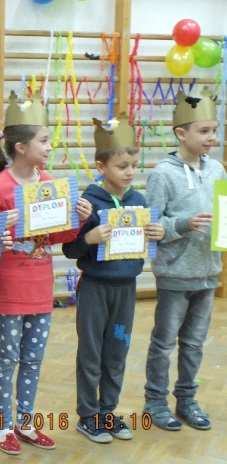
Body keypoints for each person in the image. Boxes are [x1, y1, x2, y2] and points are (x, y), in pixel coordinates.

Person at [0, 91, 91, 455]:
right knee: (7, 358)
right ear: (20, 147)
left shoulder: (50, 182)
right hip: (10, 287)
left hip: (41, 286)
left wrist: (79, 219)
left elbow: (59, 236)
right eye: (43, 140)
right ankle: (3, 426)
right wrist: (0, 230)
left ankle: (25, 422)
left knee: (33, 358)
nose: (49, 146)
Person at [62, 114, 165, 443]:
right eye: (122, 166)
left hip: (126, 290)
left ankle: (108, 410)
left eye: (133, 165)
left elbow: (143, 245)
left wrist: (156, 234)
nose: (130, 172)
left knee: (117, 351)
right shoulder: (88, 203)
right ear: (101, 167)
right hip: (95, 289)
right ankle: (88, 415)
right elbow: (70, 249)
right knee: (91, 353)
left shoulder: (139, 201)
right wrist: (89, 238)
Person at [143, 87, 226, 431]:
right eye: (204, 131)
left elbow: (222, 217)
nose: (212, 137)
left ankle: (187, 400)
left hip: (208, 274)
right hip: (175, 274)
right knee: (164, 343)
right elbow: (150, 225)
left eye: (214, 130)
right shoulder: (163, 173)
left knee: (193, 344)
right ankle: (155, 402)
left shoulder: (218, 170)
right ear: (181, 133)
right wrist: (183, 224)